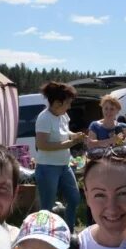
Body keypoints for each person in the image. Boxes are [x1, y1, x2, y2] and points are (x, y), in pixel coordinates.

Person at [34, 81, 85, 231]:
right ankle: (41, 232)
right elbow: (42, 145)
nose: (69, 106)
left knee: (74, 199)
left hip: (64, 166)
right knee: (46, 207)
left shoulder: (63, 115)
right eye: (68, 103)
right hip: (47, 168)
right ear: (57, 102)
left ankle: (68, 231)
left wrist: (75, 135)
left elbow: (65, 132)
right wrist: (69, 144)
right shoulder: (44, 118)